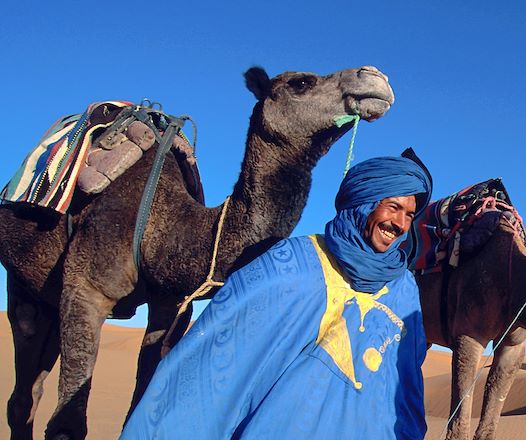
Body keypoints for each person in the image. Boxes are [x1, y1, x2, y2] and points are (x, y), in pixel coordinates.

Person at [121, 151, 433, 439]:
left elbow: (405, 387)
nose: (401, 224)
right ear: (364, 202)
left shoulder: (403, 289)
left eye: (409, 214)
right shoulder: (293, 263)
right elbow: (219, 357)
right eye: (393, 207)